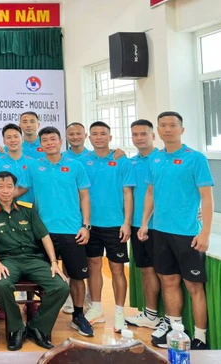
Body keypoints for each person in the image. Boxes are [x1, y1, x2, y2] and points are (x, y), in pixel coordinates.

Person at [138, 111, 214, 351]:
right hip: (160, 231)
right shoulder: (155, 159)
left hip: (188, 233)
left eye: (172, 125)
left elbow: (207, 198)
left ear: (182, 130)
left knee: (194, 286)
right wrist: (144, 223)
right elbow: (150, 193)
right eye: (163, 125)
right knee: (168, 281)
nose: (167, 129)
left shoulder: (196, 158)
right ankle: (176, 330)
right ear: (158, 131)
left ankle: (200, 337)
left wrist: (205, 232)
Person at [14, 126, 94, 337]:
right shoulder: (33, 166)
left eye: (53, 139)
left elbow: (85, 196)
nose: (49, 143)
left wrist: (86, 226)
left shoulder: (75, 166)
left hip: (72, 230)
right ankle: (40, 317)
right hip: (42, 232)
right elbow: (20, 189)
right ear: (40, 144)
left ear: (60, 141)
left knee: (76, 276)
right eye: (45, 140)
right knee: (42, 276)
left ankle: (78, 316)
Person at [0, 171, 71, 351]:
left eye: (9, 187)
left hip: (33, 259)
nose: (5, 191)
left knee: (61, 286)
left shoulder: (28, 210)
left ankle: (38, 327)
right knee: (2, 285)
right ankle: (17, 329)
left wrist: (54, 262)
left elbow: (44, 236)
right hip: (8, 261)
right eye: (1, 187)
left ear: (15, 189)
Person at [81, 122, 135, 332]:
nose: (99, 137)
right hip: (90, 224)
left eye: (103, 134)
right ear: (89, 138)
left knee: (117, 269)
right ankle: (96, 308)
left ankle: (119, 312)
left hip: (115, 224)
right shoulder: (83, 161)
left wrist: (126, 223)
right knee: (93, 265)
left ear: (110, 137)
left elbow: (128, 193)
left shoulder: (121, 160)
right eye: (95, 134)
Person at [125, 119, 162, 330]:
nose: (139, 138)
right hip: (137, 225)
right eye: (135, 134)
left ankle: (170, 319)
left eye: (143, 134)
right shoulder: (131, 163)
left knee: (165, 274)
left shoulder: (161, 159)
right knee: (147, 271)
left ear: (153, 136)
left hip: (160, 226)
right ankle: (151, 314)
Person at [0, 124, 37, 203]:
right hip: (3, 209)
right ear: (4, 141)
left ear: (22, 139)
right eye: (9, 137)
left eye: (16, 136)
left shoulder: (33, 163)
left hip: (29, 208)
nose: (13, 140)